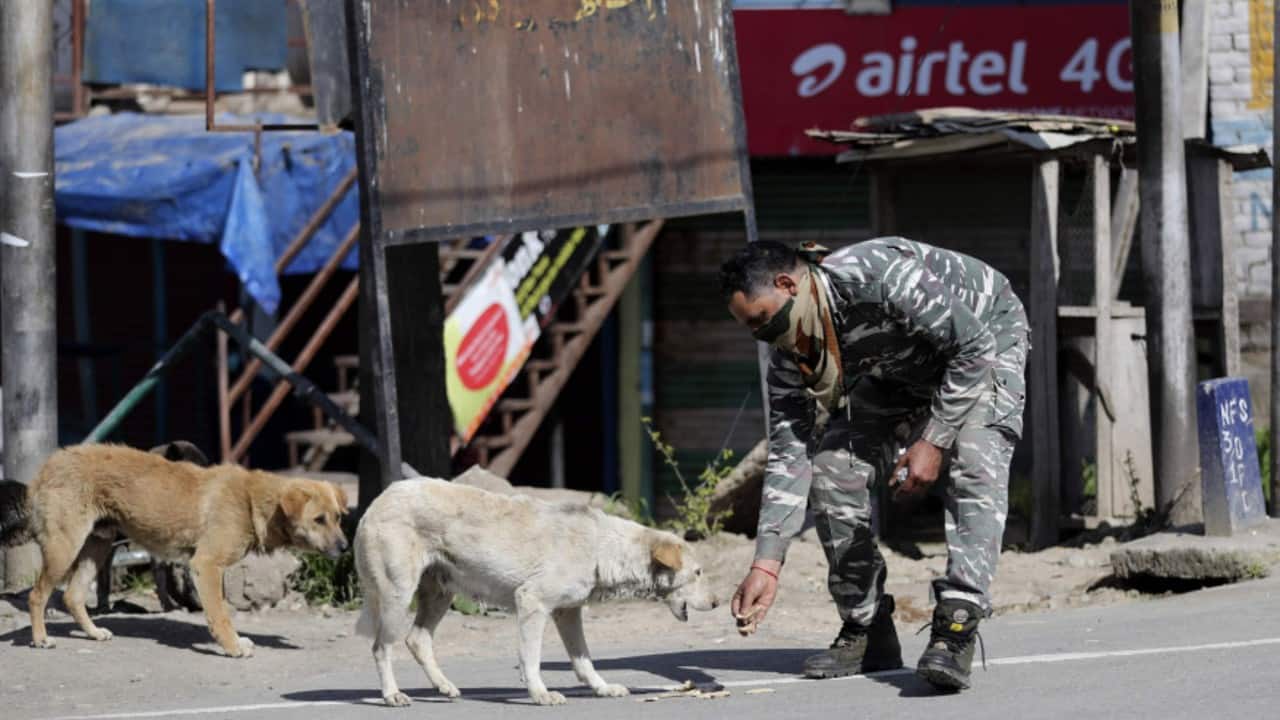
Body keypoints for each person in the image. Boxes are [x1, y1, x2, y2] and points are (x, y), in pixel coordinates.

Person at [721, 238, 1028, 691]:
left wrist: (933, 440)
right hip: (899, 371)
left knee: (974, 460)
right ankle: (868, 627)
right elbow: (790, 452)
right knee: (832, 469)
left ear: (788, 284)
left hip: (983, 345)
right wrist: (766, 563)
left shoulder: (875, 275)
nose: (761, 335)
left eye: (762, 320)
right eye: (750, 328)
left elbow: (972, 347)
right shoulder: (791, 349)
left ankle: (957, 622)